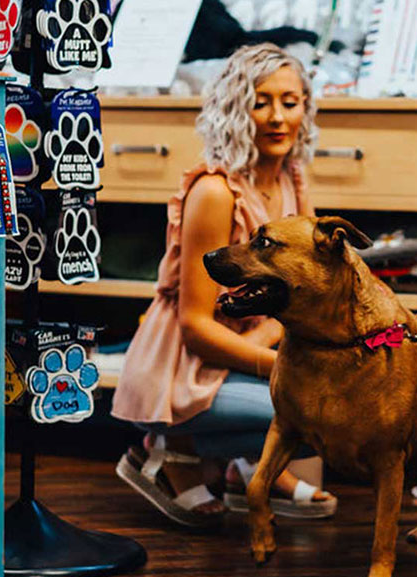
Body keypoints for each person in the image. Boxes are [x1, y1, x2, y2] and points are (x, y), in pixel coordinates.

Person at [111, 43, 337, 528]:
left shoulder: (293, 180)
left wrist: (270, 342)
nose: (278, 117)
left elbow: (303, 294)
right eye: (261, 101)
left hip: (240, 354)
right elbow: (194, 328)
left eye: (290, 102)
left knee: (332, 386)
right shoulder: (215, 192)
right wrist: (276, 362)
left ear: (305, 108)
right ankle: (170, 448)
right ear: (236, 108)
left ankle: (248, 471)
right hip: (180, 373)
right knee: (317, 404)